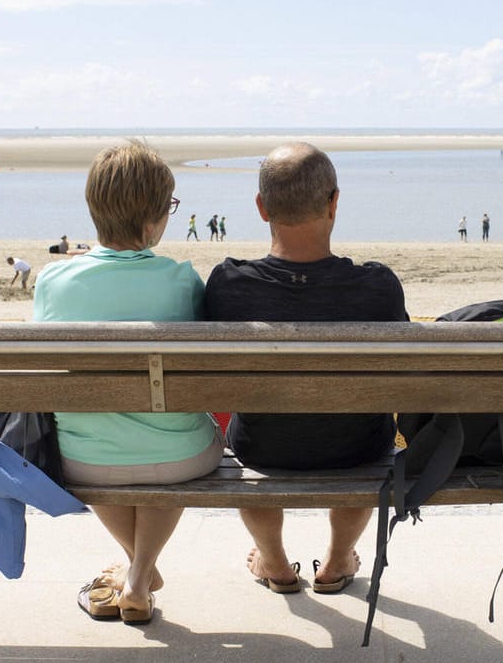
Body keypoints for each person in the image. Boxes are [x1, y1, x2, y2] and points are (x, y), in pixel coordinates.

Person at [203, 142, 408, 593]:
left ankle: (274, 563)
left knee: (252, 430)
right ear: (334, 203)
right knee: (365, 428)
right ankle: (337, 562)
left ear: (261, 207)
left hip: (262, 449)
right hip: (358, 449)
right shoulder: (378, 287)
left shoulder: (228, 284)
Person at [34, 141, 220, 624]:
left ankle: (139, 571)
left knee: (114, 447)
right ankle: (139, 576)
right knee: (161, 445)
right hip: (183, 458)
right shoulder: (181, 280)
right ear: (155, 221)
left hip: (85, 462)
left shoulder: (53, 281)